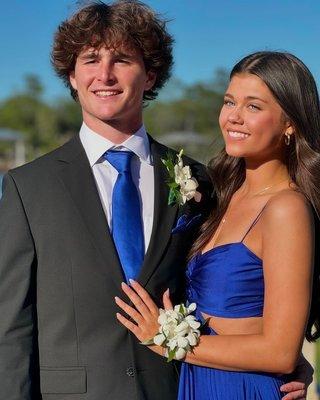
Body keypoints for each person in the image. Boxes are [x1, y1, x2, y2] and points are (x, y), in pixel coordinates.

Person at [0, 0, 310, 398]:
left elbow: (234, 283)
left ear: (150, 75)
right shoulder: (28, 187)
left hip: (181, 389)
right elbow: (10, 329)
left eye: (123, 60)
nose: (105, 75)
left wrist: (288, 358)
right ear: (72, 76)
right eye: (91, 59)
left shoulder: (202, 182)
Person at [115, 51, 320, 399]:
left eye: (253, 106)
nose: (234, 118)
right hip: (198, 382)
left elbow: (280, 352)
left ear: (290, 124)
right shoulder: (221, 193)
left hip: (241, 388)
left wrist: (163, 339)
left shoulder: (286, 208)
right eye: (229, 102)